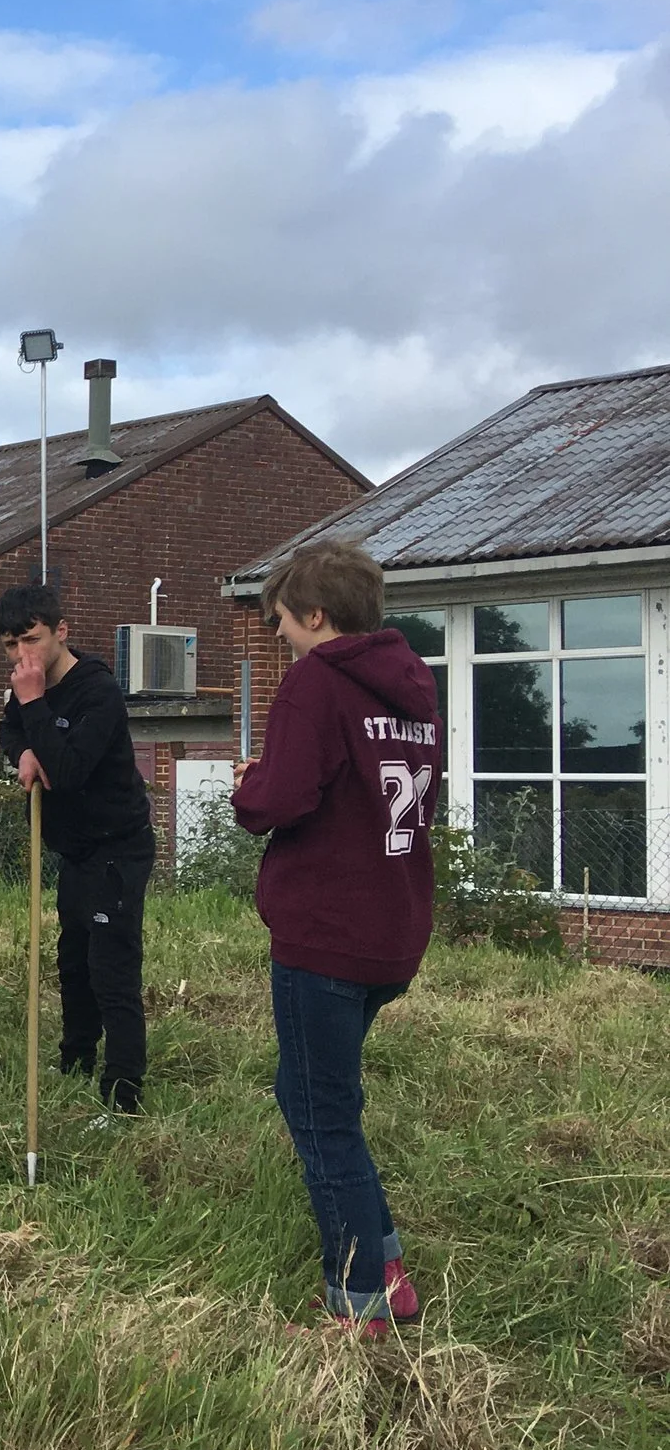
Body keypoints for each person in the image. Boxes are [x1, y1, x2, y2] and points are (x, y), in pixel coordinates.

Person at [232, 541, 440, 1335]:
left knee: (320, 1111)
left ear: (316, 616)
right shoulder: (412, 686)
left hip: (326, 931)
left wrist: (252, 783)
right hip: (393, 926)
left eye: (283, 620)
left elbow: (276, 800)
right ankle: (385, 1261)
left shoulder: (317, 681)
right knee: (321, 1095)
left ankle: (360, 1303)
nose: (280, 635)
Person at [0, 583, 159, 1113]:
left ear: (61, 632)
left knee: (111, 966)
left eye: (33, 640)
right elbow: (9, 730)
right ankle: (76, 1061)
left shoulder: (97, 692)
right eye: (11, 646)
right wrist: (21, 750)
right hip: (74, 850)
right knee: (73, 961)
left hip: (118, 847)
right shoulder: (26, 688)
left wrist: (34, 703)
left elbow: (67, 770)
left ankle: (123, 1089)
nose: (23, 657)